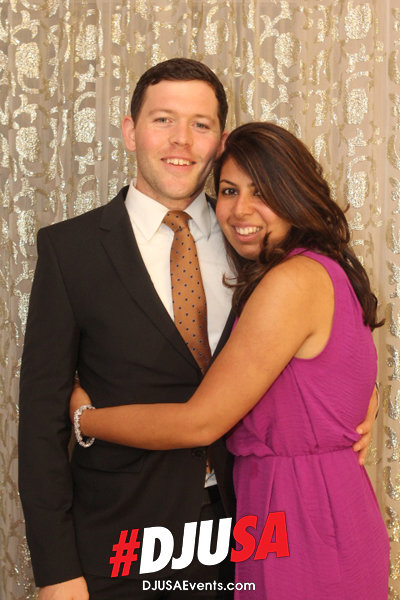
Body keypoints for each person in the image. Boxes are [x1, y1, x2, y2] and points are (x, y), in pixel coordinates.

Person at [18, 58, 376, 600]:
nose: (181, 140)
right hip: (122, 541)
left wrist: (361, 399)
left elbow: (319, 345)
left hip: (251, 531)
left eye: (200, 124)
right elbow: (40, 423)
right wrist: (56, 572)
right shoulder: (70, 251)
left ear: (220, 141)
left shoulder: (257, 239)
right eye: (163, 119)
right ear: (130, 130)